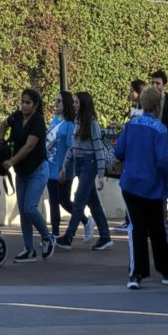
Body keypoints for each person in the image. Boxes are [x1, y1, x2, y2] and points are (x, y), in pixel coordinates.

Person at [115, 85, 168, 289]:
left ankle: (136, 273)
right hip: (153, 185)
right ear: (158, 106)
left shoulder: (131, 124)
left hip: (130, 183)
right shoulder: (160, 129)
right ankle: (167, 270)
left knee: (136, 228)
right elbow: (162, 161)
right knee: (158, 229)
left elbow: (119, 151)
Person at [56, 90, 113, 250]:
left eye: (76, 102)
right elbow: (73, 147)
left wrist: (100, 174)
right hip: (79, 164)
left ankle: (69, 236)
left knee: (79, 199)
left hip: (90, 163)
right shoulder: (77, 121)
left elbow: (98, 149)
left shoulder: (92, 123)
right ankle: (105, 236)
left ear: (84, 104)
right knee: (93, 201)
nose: (73, 104)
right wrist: (65, 165)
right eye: (74, 102)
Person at [0, 85, 51, 258]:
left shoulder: (38, 121)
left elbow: (29, 146)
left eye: (28, 102)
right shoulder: (16, 116)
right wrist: (1, 143)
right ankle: (29, 248)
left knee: (30, 208)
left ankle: (47, 237)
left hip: (37, 170)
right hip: (22, 172)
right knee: (23, 211)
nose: (24, 105)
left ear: (35, 105)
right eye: (22, 102)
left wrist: (11, 161)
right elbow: (3, 125)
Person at [44, 92, 76, 244]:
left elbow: (70, 147)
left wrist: (64, 167)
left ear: (66, 103)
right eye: (55, 100)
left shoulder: (70, 124)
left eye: (59, 101)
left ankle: (84, 220)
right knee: (53, 201)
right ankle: (55, 234)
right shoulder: (55, 119)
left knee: (64, 201)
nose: (55, 103)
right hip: (50, 165)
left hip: (63, 167)